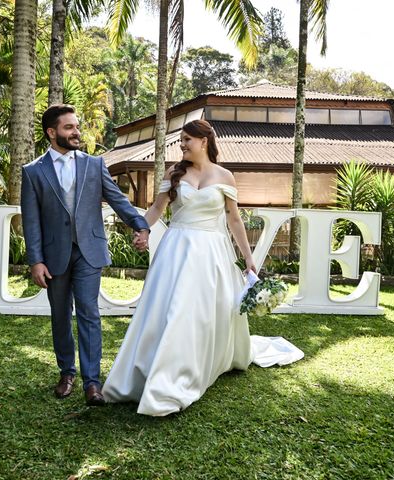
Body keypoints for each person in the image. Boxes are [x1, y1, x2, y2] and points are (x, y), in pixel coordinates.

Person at [102, 119, 303, 416]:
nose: (182, 145)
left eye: (186, 140)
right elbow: (158, 208)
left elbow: (234, 220)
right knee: (170, 309)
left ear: (204, 141)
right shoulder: (174, 173)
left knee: (201, 311)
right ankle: (160, 373)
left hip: (211, 253)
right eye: (181, 140)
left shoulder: (225, 176)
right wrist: (142, 229)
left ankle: (192, 367)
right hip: (177, 249)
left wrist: (248, 257)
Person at [20, 104, 149, 406]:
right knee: (61, 315)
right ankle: (67, 372)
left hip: (89, 251)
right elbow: (31, 221)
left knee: (89, 312)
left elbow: (118, 200)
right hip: (54, 256)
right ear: (52, 133)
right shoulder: (33, 172)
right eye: (69, 128)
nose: (76, 132)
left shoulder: (94, 164)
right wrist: (35, 260)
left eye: (77, 126)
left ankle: (93, 382)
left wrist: (140, 225)